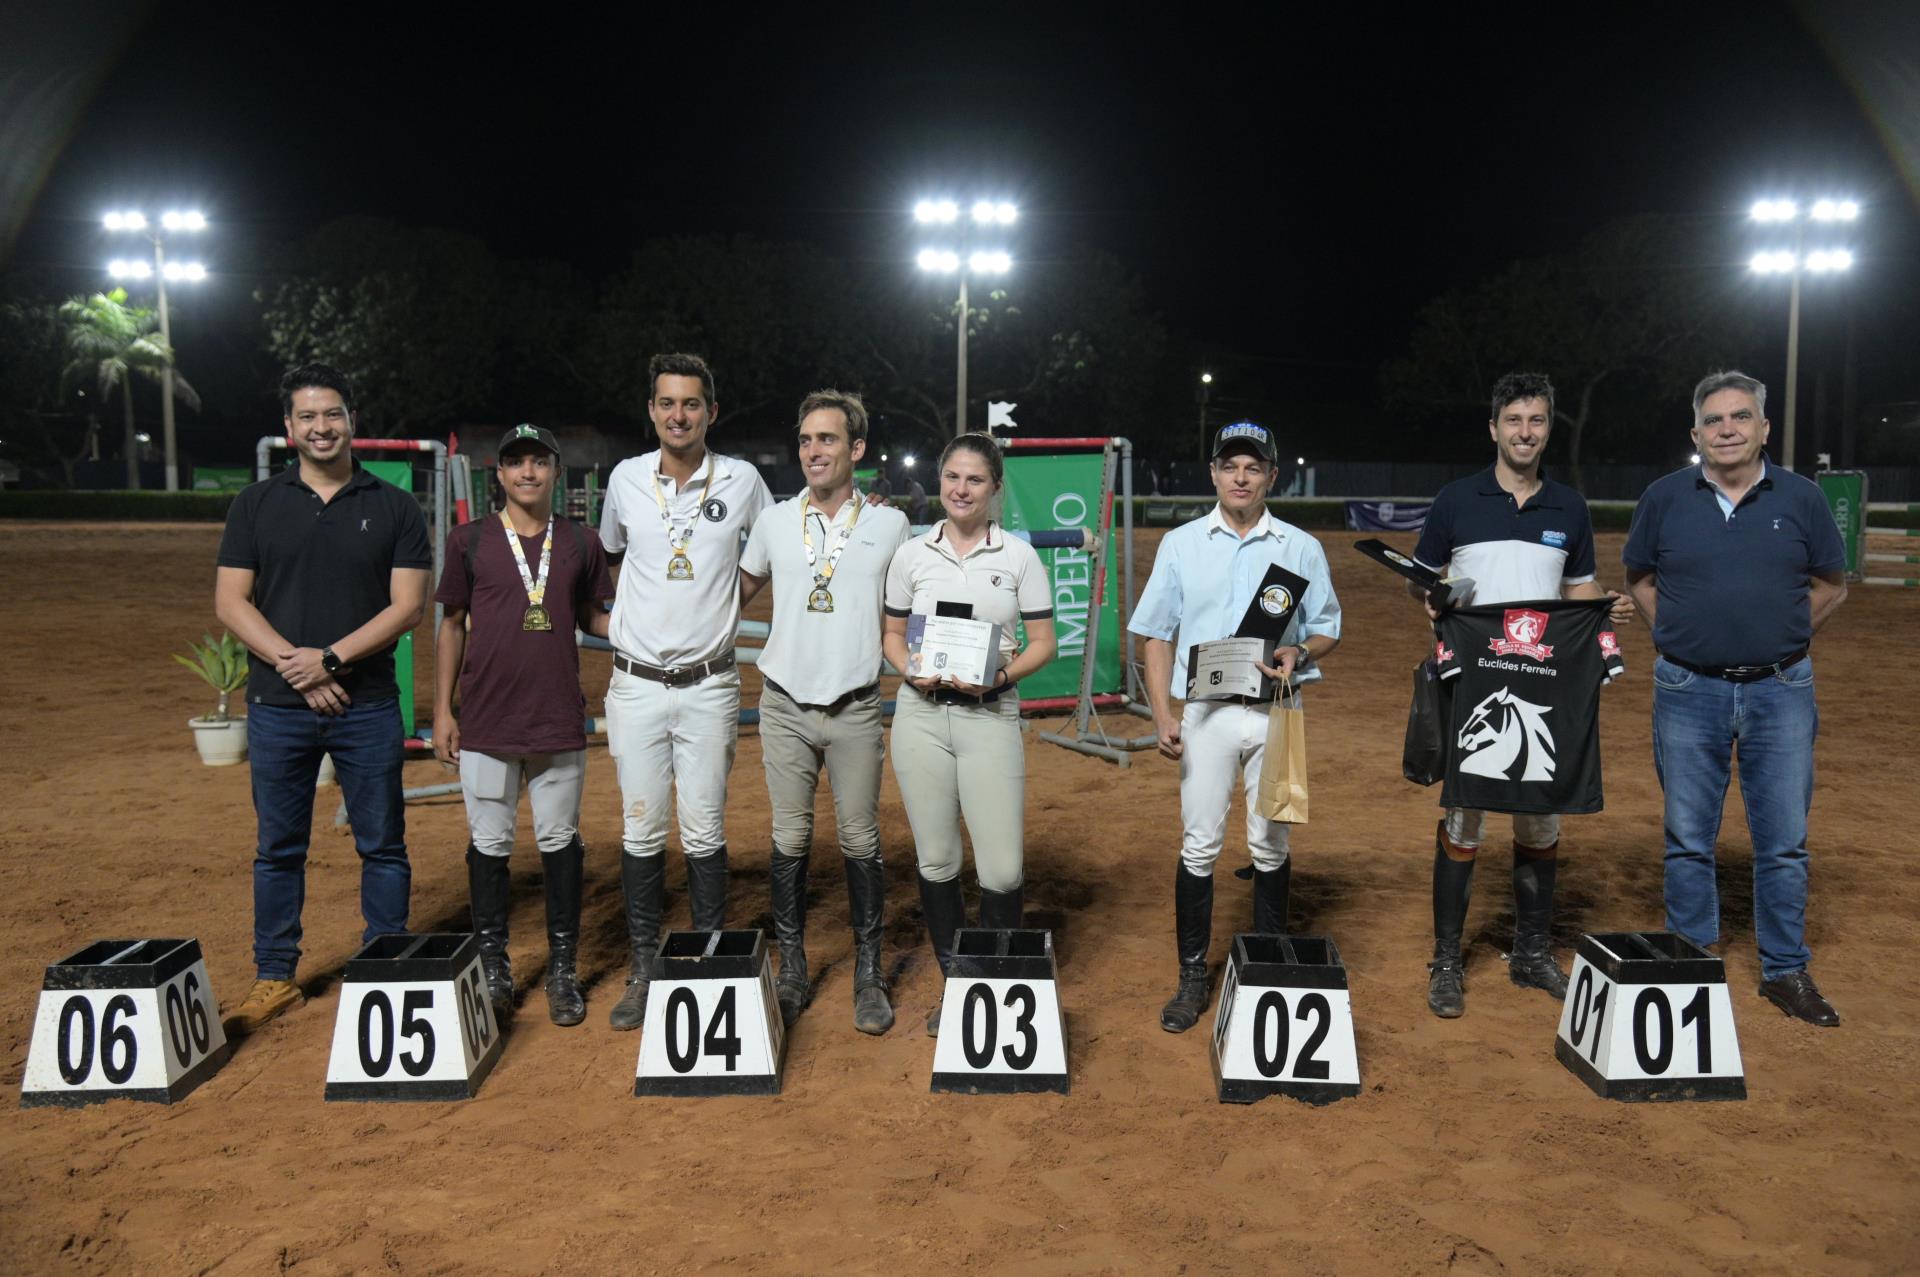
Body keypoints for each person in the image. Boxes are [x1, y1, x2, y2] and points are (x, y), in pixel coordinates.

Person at [213, 363, 432, 1034]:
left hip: (366, 704)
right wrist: (297, 666)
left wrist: (330, 658)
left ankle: (385, 965)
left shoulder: (393, 506)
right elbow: (229, 600)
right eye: (307, 416)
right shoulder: (256, 503)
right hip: (279, 708)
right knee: (278, 846)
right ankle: (274, 975)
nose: (321, 426)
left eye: (331, 414)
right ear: (288, 429)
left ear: (352, 420)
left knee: (383, 844)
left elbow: (408, 607)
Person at [1623, 370, 1847, 1026]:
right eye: (1714, 420)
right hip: (1687, 686)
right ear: (1696, 433)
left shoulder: (1801, 498)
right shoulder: (1664, 497)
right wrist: (1672, 634)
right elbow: (1637, 576)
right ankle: (1691, 963)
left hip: (1782, 687)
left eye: (1740, 417)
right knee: (1688, 836)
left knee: (1783, 840)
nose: (1727, 429)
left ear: (1764, 428)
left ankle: (1784, 968)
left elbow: (1831, 585)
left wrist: (1782, 634)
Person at [1410, 372, 1635, 1018]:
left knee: (1543, 813)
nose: (1525, 432)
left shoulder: (1570, 508)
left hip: (1543, 683)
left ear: (1547, 428)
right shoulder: (1458, 499)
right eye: (1514, 420)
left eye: (1537, 421)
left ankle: (1532, 952)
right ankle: (1447, 957)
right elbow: (1420, 585)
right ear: (1494, 428)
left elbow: (1578, 591)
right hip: (1474, 681)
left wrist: (1604, 608)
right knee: (1465, 815)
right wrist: (1439, 602)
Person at [1130, 421, 1342, 1033]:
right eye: (1230, 467)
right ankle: (1193, 973)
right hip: (1205, 715)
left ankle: (1267, 968)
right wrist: (1165, 716)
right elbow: (1155, 633)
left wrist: (1301, 654)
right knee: (1200, 844)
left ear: (1272, 475)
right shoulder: (1181, 543)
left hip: (1278, 709)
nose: (1241, 477)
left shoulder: (1300, 546)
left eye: (1253, 467)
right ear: (1214, 474)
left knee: (1271, 843)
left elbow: (1327, 625)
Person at [599, 352, 773, 1030]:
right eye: (668, 403)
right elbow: (616, 555)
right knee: (641, 827)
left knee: (704, 827)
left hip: (709, 685)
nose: (679, 414)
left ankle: (705, 961)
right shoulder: (624, 479)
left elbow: (765, 555)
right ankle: (646, 967)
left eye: (692, 403)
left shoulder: (744, 479)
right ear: (652, 410)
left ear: (711, 411)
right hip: (637, 684)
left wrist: (726, 601)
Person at [740, 391, 911, 1034]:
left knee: (861, 840)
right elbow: (732, 590)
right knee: (789, 839)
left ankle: (869, 972)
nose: (814, 451)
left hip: (856, 706)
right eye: (807, 439)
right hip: (783, 703)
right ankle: (792, 969)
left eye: (829, 440)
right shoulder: (776, 521)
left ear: (856, 449)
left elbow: (916, 603)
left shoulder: (890, 526)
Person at [433, 425, 614, 1027]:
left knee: (560, 843)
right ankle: (493, 965)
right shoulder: (469, 541)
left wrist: (655, 631)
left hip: (557, 717)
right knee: (490, 844)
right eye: (516, 463)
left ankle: (563, 968)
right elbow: (451, 625)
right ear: (500, 474)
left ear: (556, 472)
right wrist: (442, 711)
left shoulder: (581, 542)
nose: (528, 472)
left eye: (539, 462)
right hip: (485, 719)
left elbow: (593, 616)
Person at [882, 432, 1056, 1034]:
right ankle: (961, 990)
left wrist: (1000, 676)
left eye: (974, 479)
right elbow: (892, 636)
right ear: (940, 481)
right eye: (952, 477)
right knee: (937, 859)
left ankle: (999, 990)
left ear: (994, 488)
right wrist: (911, 670)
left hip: (990, 713)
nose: (960, 489)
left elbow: (1044, 644)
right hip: (921, 716)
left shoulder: (1018, 557)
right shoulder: (911, 554)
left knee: (1002, 870)